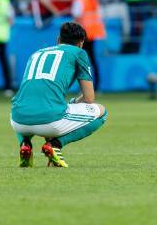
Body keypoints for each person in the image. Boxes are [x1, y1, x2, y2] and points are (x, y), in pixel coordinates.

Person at [10, 22, 108, 168]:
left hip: (17, 121)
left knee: (30, 104)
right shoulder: (79, 53)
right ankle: (54, 145)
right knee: (102, 111)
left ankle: (25, 145)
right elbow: (89, 98)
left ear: (58, 39)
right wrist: (74, 101)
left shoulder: (37, 53)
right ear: (81, 43)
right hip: (49, 120)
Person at [72, 0, 106, 89]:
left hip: (83, 34)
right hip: (93, 32)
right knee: (92, 59)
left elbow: (76, 15)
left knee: (82, 61)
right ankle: (96, 86)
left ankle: (84, 87)